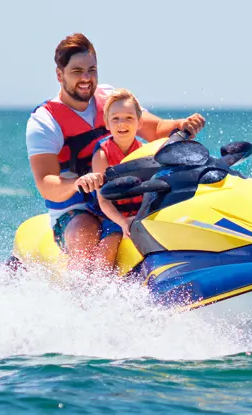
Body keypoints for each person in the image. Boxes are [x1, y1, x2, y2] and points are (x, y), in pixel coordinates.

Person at [25, 33, 205, 273]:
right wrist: (78, 183)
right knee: (85, 233)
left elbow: (155, 129)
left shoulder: (111, 100)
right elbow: (46, 184)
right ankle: (83, 293)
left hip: (123, 197)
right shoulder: (45, 121)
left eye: (91, 70)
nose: (86, 78)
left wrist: (182, 124)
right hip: (77, 208)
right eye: (77, 71)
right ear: (60, 75)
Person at [90, 88, 150, 272]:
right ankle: (100, 283)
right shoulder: (102, 155)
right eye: (115, 118)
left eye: (129, 117)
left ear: (139, 122)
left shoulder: (146, 152)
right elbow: (103, 201)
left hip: (141, 213)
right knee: (111, 242)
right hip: (113, 215)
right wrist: (123, 222)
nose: (122, 123)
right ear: (107, 123)